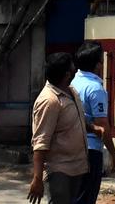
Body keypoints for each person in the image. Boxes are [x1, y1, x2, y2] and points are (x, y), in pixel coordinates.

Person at [29, 53, 90, 204]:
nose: (76, 69)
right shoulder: (49, 101)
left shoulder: (71, 92)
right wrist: (37, 178)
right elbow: (40, 142)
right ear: (67, 74)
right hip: (59, 170)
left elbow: (75, 121)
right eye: (72, 67)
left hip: (78, 166)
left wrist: (94, 129)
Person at [70, 41, 115, 204]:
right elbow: (102, 126)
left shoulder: (72, 83)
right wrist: (113, 154)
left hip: (72, 147)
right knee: (86, 196)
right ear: (98, 64)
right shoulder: (95, 88)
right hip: (90, 151)